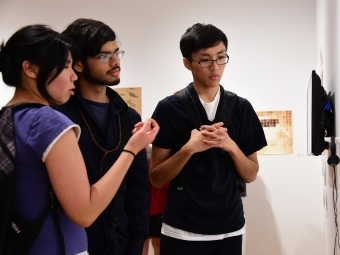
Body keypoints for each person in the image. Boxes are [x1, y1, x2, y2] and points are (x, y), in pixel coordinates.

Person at [0, 24, 159, 255]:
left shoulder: (8, 117)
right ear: (31, 69)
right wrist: (131, 149)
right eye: (65, 66)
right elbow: (85, 212)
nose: (73, 74)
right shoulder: (49, 121)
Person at [149, 23, 267, 255]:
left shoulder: (241, 108)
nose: (215, 67)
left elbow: (251, 174)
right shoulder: (169, 108)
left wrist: (230, 146)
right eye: (205, 59)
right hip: (181, 228)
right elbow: (157, 178)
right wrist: (189, 149)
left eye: (221, 57)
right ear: (187, 62)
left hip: (229, 227)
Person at [53, 18, 151, 255]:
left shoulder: (128, 117)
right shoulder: (58, 117)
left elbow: (138, 192)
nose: (116, 62)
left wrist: (138, 245)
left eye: (117, 53)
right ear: (78, 64)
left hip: (122, 242)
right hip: (73, 245)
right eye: (104, 56)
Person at [142, 145, 168, 255]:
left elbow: (161, 181)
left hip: (160, 205)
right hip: (148, 204)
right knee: (144, 240)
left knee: (157, 241)